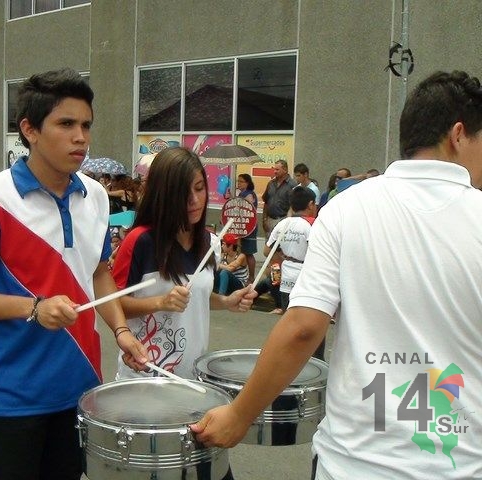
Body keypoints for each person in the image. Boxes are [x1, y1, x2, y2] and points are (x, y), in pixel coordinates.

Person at [191, 70, 482, 479]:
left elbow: (303, 328)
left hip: (352, 462)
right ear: (458, 135)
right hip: (460, 463)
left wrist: (239, 415)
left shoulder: (346, 209)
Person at [0, 68, 148, 480]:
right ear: (30, 130)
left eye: (86, 125)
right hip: (13, 393)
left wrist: (122, 331)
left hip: (81, 386)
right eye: (66, 124)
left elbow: (99, 273)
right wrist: (33, 308)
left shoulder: (96, 196)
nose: (80, 137)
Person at [111, 146, 256, 381]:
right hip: (143, 377)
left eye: (199, 188)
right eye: (182, 193)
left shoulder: (210, 242)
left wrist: (227, 301)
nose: (194, 200)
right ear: (163, 194)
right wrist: (160, 302)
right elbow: (113, 303)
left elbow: (196, 296)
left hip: (192, 377)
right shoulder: (139, 241)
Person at [265, 186, 321, 357]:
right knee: (312, 326)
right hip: (307, 279)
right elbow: (317, 252)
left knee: (289, 322)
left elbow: (267, 251)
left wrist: (285, 260)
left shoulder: (283, 223)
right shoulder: (311, 225)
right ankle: (315, 360)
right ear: (310, 204)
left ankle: (287, 358)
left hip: (287, 279)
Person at [260, 159, 296, 237]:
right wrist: (264, 219)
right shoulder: (271, 184)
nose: (275, 172)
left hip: (283, 220)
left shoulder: (292, 185)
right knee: (269, 243)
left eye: (277, 169)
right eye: (274, 169)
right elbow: (266, 202)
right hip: (270, 221)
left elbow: (294, 206)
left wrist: (288, 222)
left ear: (285, 170)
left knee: (281, 244)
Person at [235, 173, 258, 284]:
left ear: (247, 183)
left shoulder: (249, 194)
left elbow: (246, 209)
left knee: (248, 252)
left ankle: (251, 277)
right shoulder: (241, 194)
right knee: (240, 251)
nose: (238, 183)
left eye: (241, 181)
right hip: (240, 227)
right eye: (238, 181)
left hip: (249, 227)